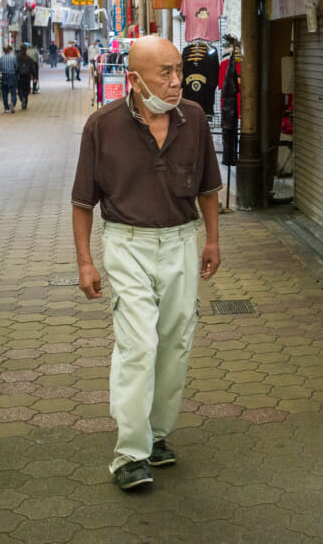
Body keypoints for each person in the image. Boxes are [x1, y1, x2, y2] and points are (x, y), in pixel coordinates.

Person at [71, 35, 222, 492]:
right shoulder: (102, 125)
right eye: (166, 73)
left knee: (175, 343)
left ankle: (156, 436)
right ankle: (129, 455)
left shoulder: (193, 120)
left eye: (179, 70)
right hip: (127, 243)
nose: (178, 81)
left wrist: (212, 240)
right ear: (134, 80)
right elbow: (82, 203)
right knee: (138, 346)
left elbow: (209, 188)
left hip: (180, 240)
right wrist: (85, 262)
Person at [0, 44, 19, 113]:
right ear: (9, 50)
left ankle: (6, 108)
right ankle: (12, 103)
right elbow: (16, 66)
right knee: (13, 91)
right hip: (12, 75)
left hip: (4, 76)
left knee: (4, 92)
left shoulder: (0, 59)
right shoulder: (13, 57)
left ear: (4, 51)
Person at [16, 43, 38, 110]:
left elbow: (15, 67)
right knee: (26, 90)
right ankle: (25, 103)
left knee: (20, 89)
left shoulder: (17, 58)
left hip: (19, 76)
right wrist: (34, 77)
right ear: (26, 49)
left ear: (20, 49)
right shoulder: (29, 58)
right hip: (27, 76)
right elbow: (32, 69)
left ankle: (22, 98)